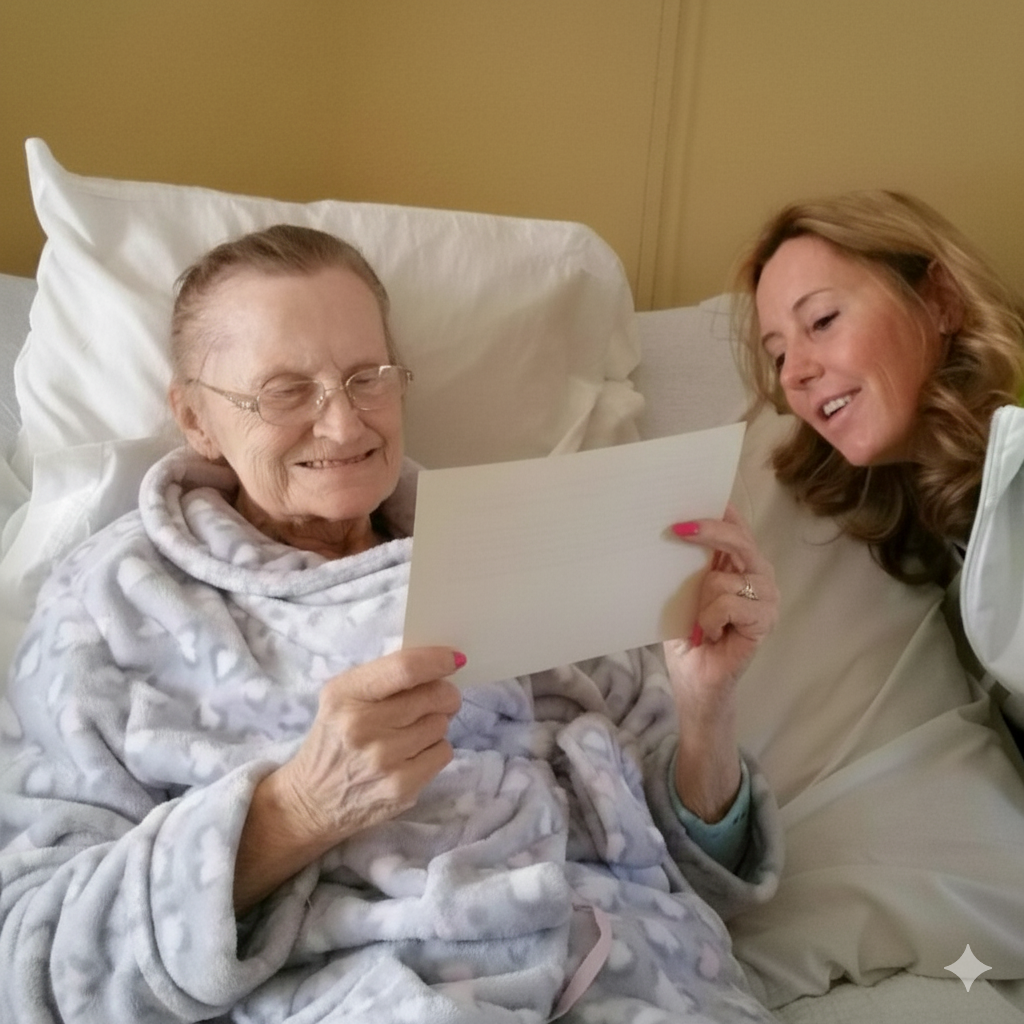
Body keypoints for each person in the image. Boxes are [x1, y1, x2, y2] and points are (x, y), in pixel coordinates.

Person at [0, 224, 783, 1023]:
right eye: (285, 391)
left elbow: (702, 877)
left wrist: (703, 707)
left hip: (643, 979)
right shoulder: (115, 602)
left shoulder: (520, 541)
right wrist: (295, 810)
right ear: (196, 419)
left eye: (367, 378)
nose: (343, 426)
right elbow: (34, 964)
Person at [733, 189, 1024, 719]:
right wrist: (745, 590)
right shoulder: (910, 506)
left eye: (822, 321)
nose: (794, 372)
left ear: (940, 300)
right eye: (778, 356)